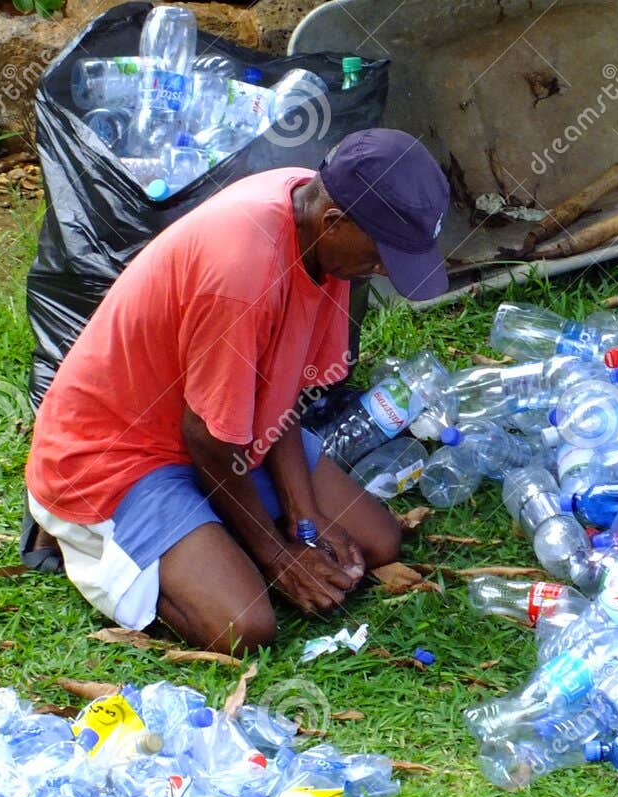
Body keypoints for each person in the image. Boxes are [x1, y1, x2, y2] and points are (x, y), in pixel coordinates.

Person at [24, 129, 451, 653]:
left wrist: (305, 516)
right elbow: (206, 439)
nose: (382, 271)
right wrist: (277, 554)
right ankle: (81, 535)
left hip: (230, 428)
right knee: (244, 628)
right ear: (335, 223)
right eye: (381, 257)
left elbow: (282, 394)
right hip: (117, 455)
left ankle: (212, 533)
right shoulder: (242, 274)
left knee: (379, 544)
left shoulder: (318, 225)